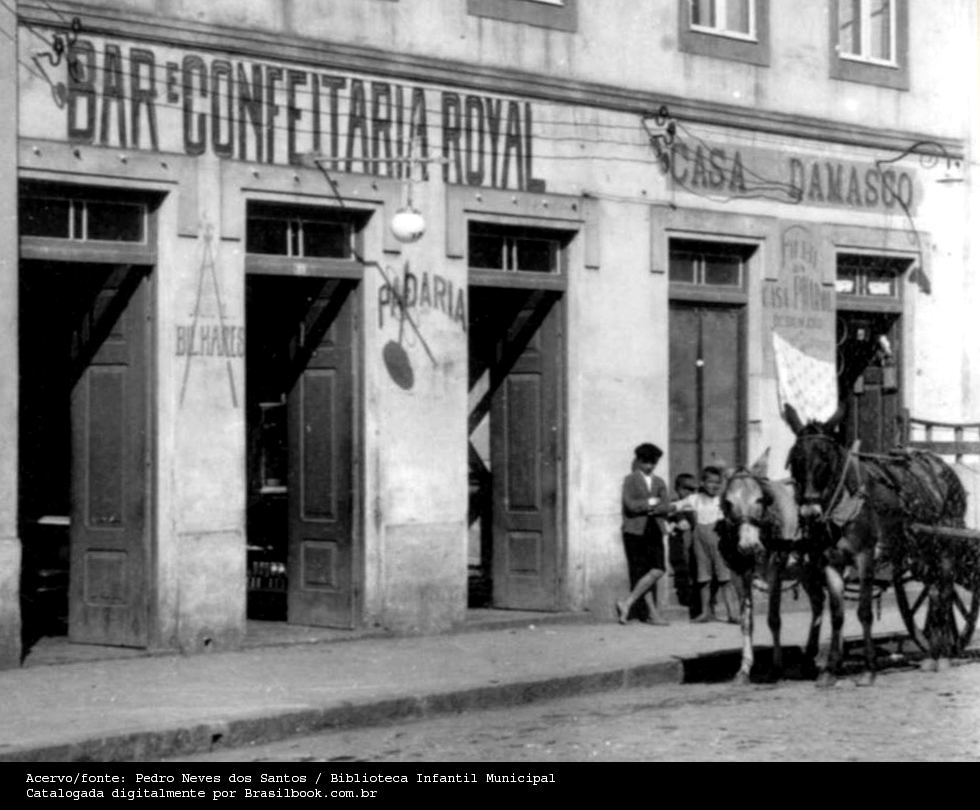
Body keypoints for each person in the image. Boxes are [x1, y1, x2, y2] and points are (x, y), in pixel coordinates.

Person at [673, 465, 739, 624]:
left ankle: (732, 613)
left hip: (720, 542)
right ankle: (705, 613)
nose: (714, 485)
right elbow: (676, 506)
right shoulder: (695, 499)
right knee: (704, 578)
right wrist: (668, 512)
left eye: (718, 482)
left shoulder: (723, 500)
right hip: (700, 543)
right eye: (710, 482)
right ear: (702, 483)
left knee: (725, 578)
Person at [616, 443, 672, 626]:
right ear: (638, 461)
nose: (649, 466)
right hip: (634, 530)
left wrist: (655, 508)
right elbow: (630, 505)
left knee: (658, 569)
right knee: (642, 572)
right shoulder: (630, 480)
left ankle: (627, 603)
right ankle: (652, 615)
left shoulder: (659, 482)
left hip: (654, 528)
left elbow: (666, 506)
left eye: (653, 462)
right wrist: (650, 503)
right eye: (646, 462)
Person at [666, 473, 697, 613]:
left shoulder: (694, 504)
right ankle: (685, 596)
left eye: (693, 489)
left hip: (693, 544)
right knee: (682, 567)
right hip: (678, 544)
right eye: (686, 488)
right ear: (678, 488)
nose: (689, 492)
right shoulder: (674, 504)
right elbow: (678, 519)